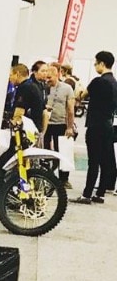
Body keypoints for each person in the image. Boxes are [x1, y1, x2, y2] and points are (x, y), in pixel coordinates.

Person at [74, 50, 117, 204]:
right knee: (105, 161)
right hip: (108, 125)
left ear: (102, 64)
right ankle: (100, 194)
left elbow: (81, 96)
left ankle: (86, 195)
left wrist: (79, 91)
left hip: (95, 125)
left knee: (93, 161)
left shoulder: (97, 82)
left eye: (95, 63)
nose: (94, 65)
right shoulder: (115, 83)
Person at [42, 62, 75, 187]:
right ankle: (45, 175)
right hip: (45, 124)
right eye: (46, 77)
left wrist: (70, 127)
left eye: (50, 77)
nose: (48, 80)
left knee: (62, 151)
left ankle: (63, 179)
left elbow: (70, 109)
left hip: (60, 124)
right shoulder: (43, 88)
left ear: (57, 75)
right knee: (44, 151)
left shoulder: (67, 88)